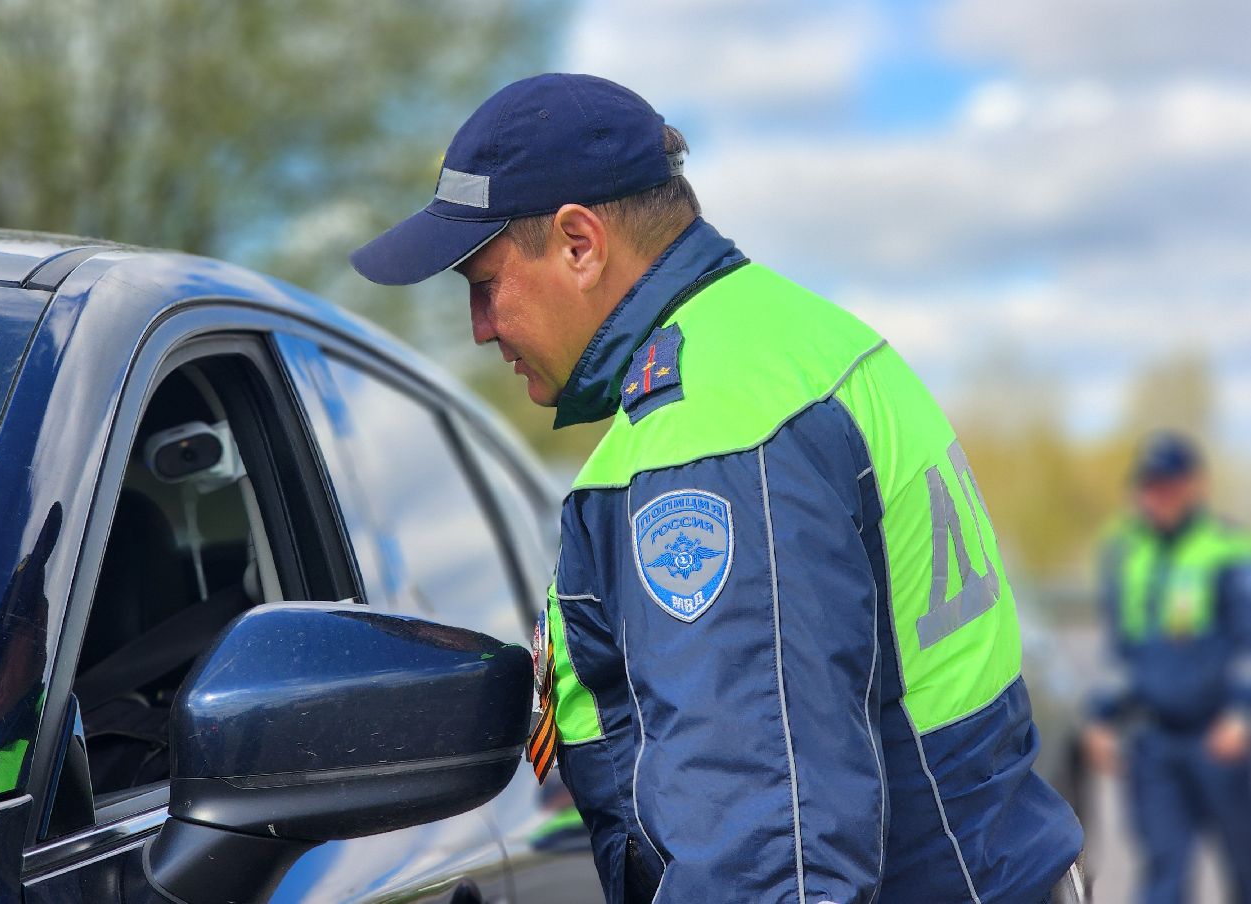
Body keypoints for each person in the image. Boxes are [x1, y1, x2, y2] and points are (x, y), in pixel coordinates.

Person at [352, 73, 1084, 903]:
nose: (480, 328)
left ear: (580, 244)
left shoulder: (711, 433)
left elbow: (770, 862)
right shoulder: (783, 344)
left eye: (483, 284)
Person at [1084, 432, 1251, 904]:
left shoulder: (1231, 550)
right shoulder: (1126, 554)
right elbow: (1121, 656)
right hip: (1154, 743)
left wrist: (1242, 714)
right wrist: (1101, 717)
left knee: (1247, 872)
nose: (1160, 497)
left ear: (1196, 486)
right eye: (1150, 486)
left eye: (1171, 485)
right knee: (1163, 874)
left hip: (1219, 739)